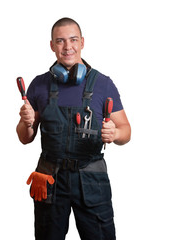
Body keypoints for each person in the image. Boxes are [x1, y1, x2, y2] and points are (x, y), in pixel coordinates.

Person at [16, 17, 131, 240]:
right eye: (60, 41)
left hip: (91, 180)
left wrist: (116, 133)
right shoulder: (39, 84)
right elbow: (25, 138)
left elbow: (126, 130)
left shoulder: (103, 84)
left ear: (82, 42)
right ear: (52, 45)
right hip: (50, 179)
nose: (67, 47)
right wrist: (26, 122)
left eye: (73, 39)